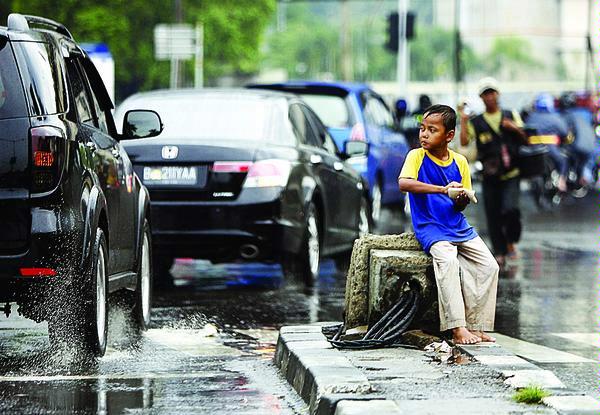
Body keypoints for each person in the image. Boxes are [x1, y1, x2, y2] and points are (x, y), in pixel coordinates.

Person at [399, 104, 499, 345]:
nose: (424, 134)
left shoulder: (460, 162)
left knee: (489, 266)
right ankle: (457, 327)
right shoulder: (416, 156)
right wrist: (442, 189)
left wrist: (461, 199)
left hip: (457, 225)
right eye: (422, 128)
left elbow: (459, 206)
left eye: (432, 130)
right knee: (448, 262)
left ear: (449, 135)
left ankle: (477, 325)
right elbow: (404, 183)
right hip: (430, 226)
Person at [459, 77, 527, 266]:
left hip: (511, 173)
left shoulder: (510, 114)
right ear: (481, 97)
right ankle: (500, 251)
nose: (489, 97)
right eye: (485, 93)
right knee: (493, 214)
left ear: (498, 94)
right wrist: (463, 120)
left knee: (510, 209)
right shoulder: (477, 122)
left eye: (492, 92)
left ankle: (511, 241)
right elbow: (465, 142)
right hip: (490, 175)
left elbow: (525, 137)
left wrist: (513, 128)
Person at [526, 93, 570, 193]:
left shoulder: (531, 117)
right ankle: (561, 181)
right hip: (551, 149)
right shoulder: (556, 118)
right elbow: (564, 132)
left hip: (534, 149)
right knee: (563, 160)